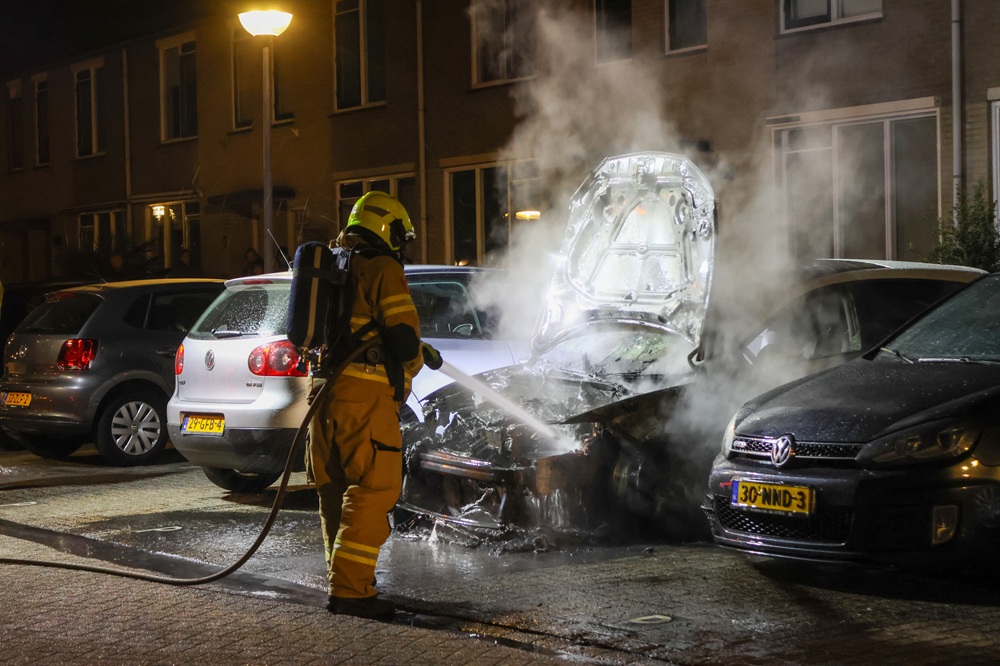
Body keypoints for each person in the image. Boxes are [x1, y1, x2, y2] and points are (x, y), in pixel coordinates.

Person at [307, 191, 436, 620]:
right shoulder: (382, 267)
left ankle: (341, 580)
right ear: (386, 228)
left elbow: (361, 330)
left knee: (337, 490)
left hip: (324, 395)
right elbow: (400, 339)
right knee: (374, 487)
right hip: (363, 398)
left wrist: (421, 349)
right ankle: (351, 592)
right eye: (401, 235)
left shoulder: (339, 265)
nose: (402, 245)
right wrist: (416, 355)